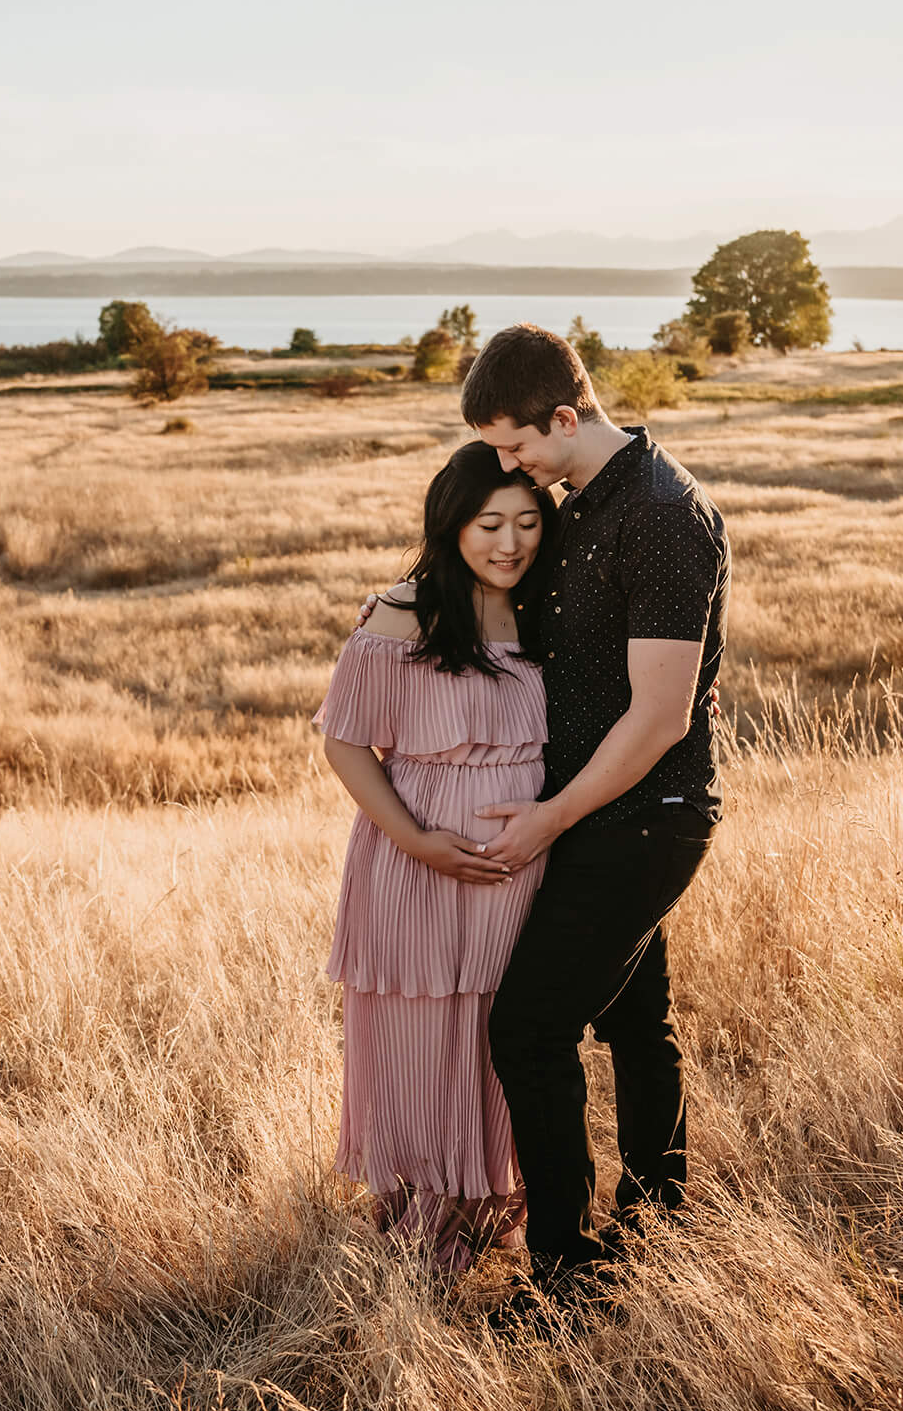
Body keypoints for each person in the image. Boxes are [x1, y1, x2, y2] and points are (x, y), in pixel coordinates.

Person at [459, 322, 730, 1311]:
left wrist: (549, 817)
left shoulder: (657, 512)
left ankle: (566, 1273)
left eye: (515, 445)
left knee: (528, 1029)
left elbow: (660, 716)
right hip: (601, 813)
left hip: (643, 818)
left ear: (565, 418)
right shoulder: (585, 502)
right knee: (635, 1020)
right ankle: (657, 1224)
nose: (508, 466)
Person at [313, 441, 557, 1271]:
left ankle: (492, 1208)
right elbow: (345, 743)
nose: (510, 543)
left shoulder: (547, 607)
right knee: (421, 1038)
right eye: (489, 523)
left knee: (498, 1036)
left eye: (527, 522)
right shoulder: (401, 616)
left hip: (518, 876)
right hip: (414, 867)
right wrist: (418, 840)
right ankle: (420, 1224)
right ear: (452, 523)